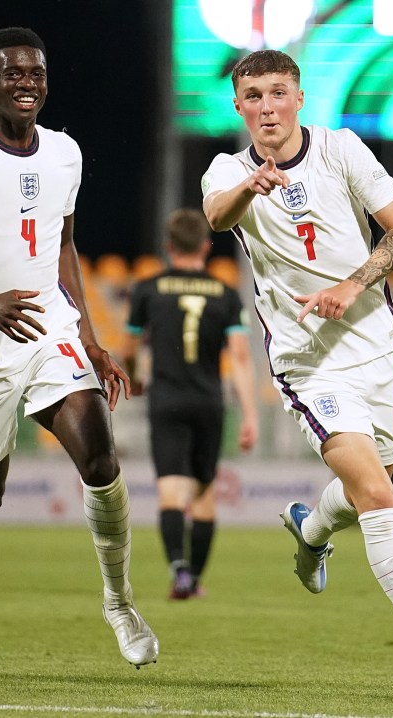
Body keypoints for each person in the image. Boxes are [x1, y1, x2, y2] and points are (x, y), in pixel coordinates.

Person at [200, 49, 393, 700]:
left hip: (376, 346)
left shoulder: (342, 149)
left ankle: (310, 527)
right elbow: (217, 214)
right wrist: (251, 186)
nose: (266, 106)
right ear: (238, 106)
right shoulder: (228, 169)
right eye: (252, 96)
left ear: (299, 97)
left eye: (277, 92)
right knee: (381, 499)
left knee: (369, 483)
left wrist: (351, 283)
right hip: (307, 362)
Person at [0, 26, 158, 668]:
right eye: (13, 73)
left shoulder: (65, 153)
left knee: (100, 456)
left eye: (37, 74)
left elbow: (62, 245)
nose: (27, 83)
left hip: (47, 330)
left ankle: (120, 602)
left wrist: (90, 338)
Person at [123, 208, 258, 600]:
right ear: (205, 246)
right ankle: (193, 580)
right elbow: (240, 357)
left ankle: (179, 570)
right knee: (203, 493)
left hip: (166, 398)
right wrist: (250, 414)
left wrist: (134, 377)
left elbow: (130, 346)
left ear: (168, 247)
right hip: (207, 401)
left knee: (170, 492)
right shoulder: (226, 294)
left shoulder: (148, 289)